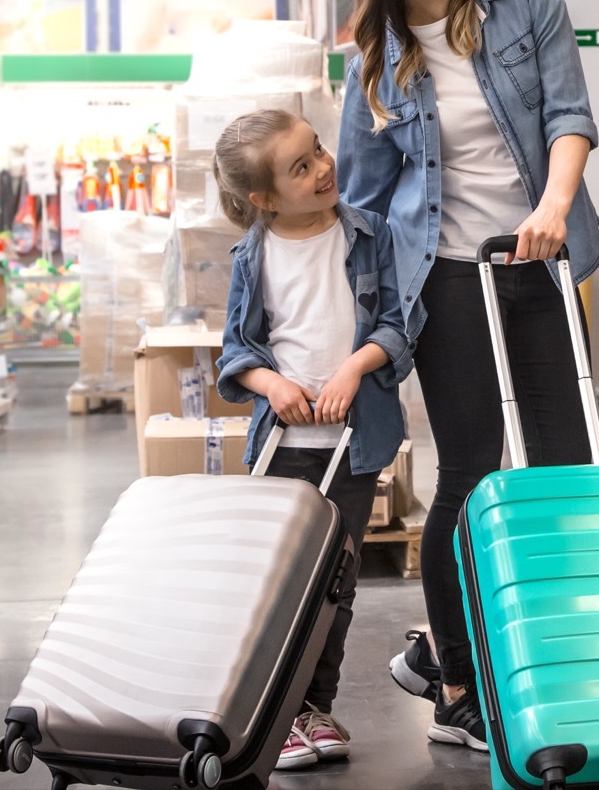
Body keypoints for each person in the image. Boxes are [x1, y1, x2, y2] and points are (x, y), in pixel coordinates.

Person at [335, 0, 599, 751]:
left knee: (566, 475)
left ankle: (564, 663)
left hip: (542, 260)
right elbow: (365, 208)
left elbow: (569, 112)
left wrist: (555, 206)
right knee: (472, 473)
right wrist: (367, 333)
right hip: (446, 281)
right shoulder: (374, 65)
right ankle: (455, 679)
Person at [214, 108, 413, 772]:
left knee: (337, 583)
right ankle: (279, 713)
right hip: (285, 447)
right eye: (301, 166)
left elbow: (396, 325)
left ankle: (313, 709)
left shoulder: (368, 233)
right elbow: (237, 352)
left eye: (319, 150)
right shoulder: (253, 254)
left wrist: (356, 368)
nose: (325, 166)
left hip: (352, 446)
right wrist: (273, 386)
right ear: (263, 199)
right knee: (281, 588)